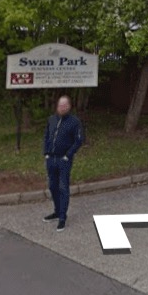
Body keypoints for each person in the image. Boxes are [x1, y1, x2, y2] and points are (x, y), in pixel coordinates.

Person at [42, 94, 84, 231]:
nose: (62, 108)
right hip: (51, 158)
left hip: (64, 160)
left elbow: (79, 140)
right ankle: (56, 210)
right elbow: (47, 136)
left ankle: (62, 217)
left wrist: (68, 155)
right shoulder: (52, 119)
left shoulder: (74, 122)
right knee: (52, 186)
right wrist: (46, 153)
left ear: (69, 107)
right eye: (60, 105)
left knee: (63, 187)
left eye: (64, 105)